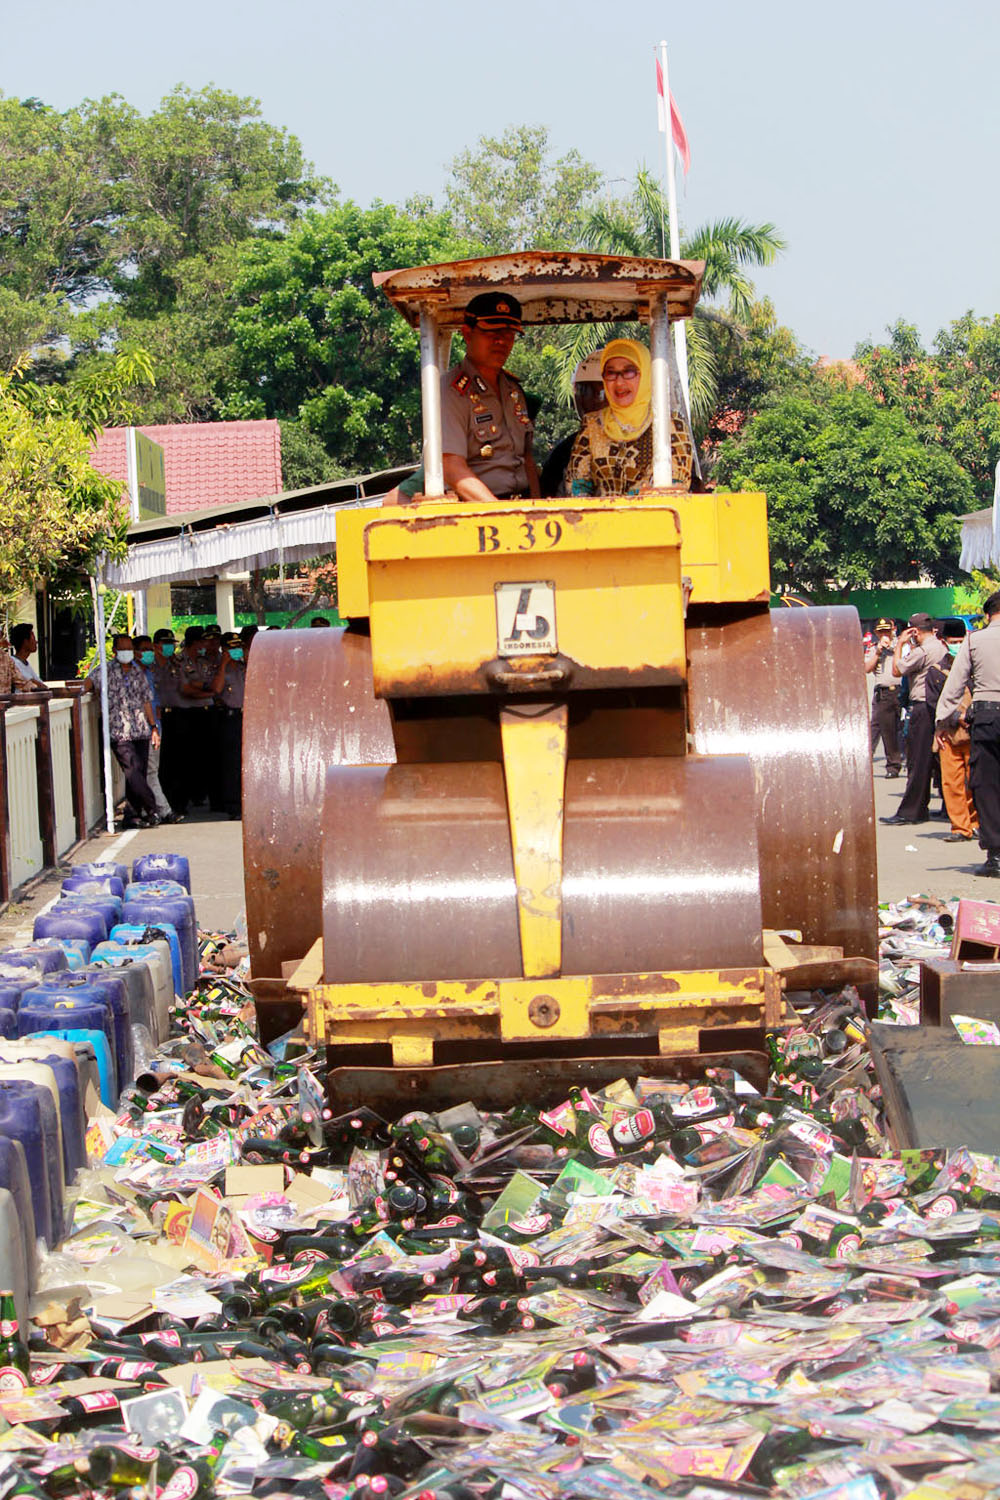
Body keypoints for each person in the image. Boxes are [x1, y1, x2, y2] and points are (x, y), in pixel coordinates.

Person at [440, 292, 540, 503]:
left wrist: (536, 507)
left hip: (522, 508)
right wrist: (501, 514)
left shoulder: (514, 391)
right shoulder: (451, 392)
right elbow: (451, 467)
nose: (501, 340)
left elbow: (527, 459)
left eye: (509, 332)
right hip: (477, 514)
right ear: (467, 334)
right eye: (491, 331)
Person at [564, 339, 694, 497]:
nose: (619, 382)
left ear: (646, 373)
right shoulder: (591, 425)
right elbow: (577, 485)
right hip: (601, 519)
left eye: (629, 371)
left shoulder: (670, 424)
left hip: (656, 517)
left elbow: (677, 487)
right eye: (611, 373)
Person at [936, 591, 1000, 876]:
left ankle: (996, 856)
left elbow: (955, 684)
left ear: (988, 615)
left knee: (987, 786)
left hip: (987, 718)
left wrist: (942, 721)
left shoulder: (975, 640)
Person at [85, 632, 160, 829]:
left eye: (129, 648)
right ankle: (152, 805)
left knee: (139, 773)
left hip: (141, 729)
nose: (127, 652)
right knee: (132, 769)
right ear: (115, 650)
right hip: (120, 731)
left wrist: (153, 727)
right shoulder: (105, 671)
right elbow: (88, 684)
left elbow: (146, 701)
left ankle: (133, 815)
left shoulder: (137, 672)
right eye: (123, 648)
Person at [880, 612, 948, 825]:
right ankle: (943, 809)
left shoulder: (923, 650)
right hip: (938, 706)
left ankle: (911, 811)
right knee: (937, 761)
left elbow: (897, 669)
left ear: (915, 632)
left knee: (918, 761)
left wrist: (900, 643)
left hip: (922, 706)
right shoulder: (941, 647)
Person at [929, 619, 978, 845]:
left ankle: (976, 823)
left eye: (961, 641)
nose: (957, 645)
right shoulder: (937, 671)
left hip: (973, 732)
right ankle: (960, 827)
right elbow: (932, 703)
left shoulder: (976, 667)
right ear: (944, 642)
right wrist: (951, 719)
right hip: (947, 733)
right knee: (951, 783)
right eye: (953, 642)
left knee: (975, 781)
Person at [539, 351, 606, 497]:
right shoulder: (564, 453)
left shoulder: (641, 442)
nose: (590, 400)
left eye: (599, 393)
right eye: (583, 391)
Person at [209, 632, 246, 819]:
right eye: (232, 647)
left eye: (238, 646)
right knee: (231, 764)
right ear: (224, 650)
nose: (236, 650)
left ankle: (245, 801)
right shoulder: (220, 669)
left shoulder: (244, 667)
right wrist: (223, 664)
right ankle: (233, 805)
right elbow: (216, 689)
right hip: (229, 718)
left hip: (245, 717)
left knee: (245, 762)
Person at [864, 619, 903, 777]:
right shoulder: (875, 649)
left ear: (893, 630)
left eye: (887, 631)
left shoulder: (901, 646)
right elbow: (866, 668)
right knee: (886, 730)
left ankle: (906, 759)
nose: (885, 635)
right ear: (876, 633)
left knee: (901, 729)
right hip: (884, 692)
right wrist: (879, 652)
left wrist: (896, 648)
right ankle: (893, 766)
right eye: (881, 632)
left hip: (900, 690)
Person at [9, 624, 44, 690]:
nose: (36, 642)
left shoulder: (25, 664)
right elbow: (36, 685)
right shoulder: (14, 663)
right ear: (25, 642)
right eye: (33, 638)